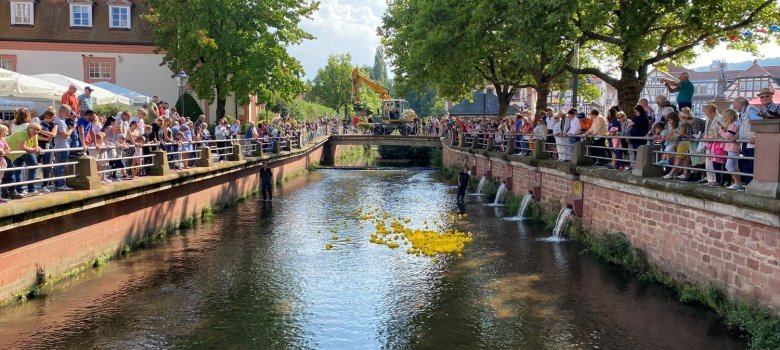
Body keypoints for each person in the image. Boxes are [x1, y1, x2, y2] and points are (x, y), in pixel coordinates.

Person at [3, 123, 42, 199]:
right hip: (5, 152)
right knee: (10, 172)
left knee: (10, 172)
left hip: (13, 154)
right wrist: (34, 150)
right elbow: (23, 147)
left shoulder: (34, 135)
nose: (36, 131)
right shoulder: (23, 133)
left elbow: (35, 145)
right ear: (29, 128)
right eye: (34, 129)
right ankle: (13, 192)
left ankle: (7, 192)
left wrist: (38, 148)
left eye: (37, 130)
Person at [732, 96, 759, 184]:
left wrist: (755, 136)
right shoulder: (742, 113)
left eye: (734, 104)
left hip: (752, 143)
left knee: (751, 165)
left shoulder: (750, 110)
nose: (733, 107)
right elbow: (741, 128)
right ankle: (748, 184)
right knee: (746, 164)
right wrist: (737, 136)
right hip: (745, 142)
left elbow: (759, 123)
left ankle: (751, 184)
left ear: (740, 104)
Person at [719, 109, 744, 191]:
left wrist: (721, 131)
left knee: (729, 166)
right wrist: (725, 130)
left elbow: (727, 136)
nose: (724, 119)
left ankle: (738, 183)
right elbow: (731, 134)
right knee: (734, 166)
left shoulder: (733, 125)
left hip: (733, 148)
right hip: (732, 147)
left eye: (725, 117)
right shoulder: (734, 124)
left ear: (729, 117)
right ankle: (738, 183)